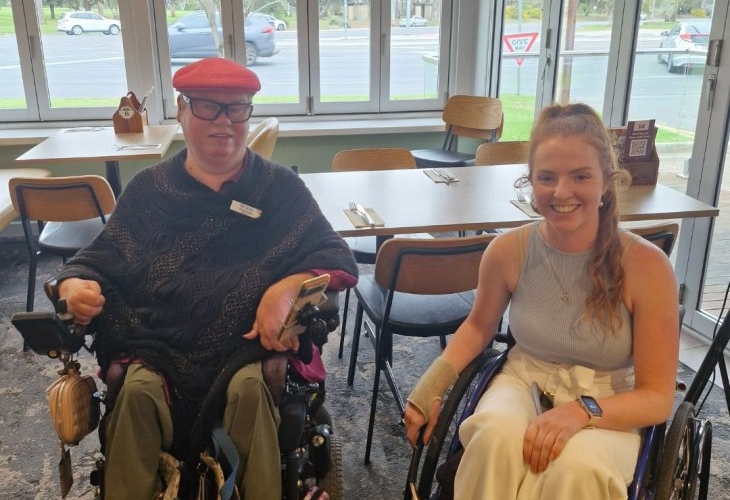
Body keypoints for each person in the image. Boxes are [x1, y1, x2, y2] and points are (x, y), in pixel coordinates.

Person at [49, 57, 358, 500]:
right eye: (208, 107)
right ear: (182, 109)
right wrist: (73, 286)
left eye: (237, 108)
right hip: (157, 345)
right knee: (135, 393)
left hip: (245, 347)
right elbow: (94, 260)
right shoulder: (149, 190)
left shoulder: (279, 188)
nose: (224, 122)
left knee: (251, 391)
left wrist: (286, 286)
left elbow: (335, 255)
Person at [403, 103, 679, 499]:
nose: (561, 192)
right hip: (523, 378)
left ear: (606, 182)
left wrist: (581, 411)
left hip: (610, 397)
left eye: (580, 176)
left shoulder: (646, 268)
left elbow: (657, 397)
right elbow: (479, 327)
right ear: (530, 182)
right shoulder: (507, 251)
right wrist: (430, 386)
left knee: (575, 470)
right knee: (492, 441)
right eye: (547, 177)